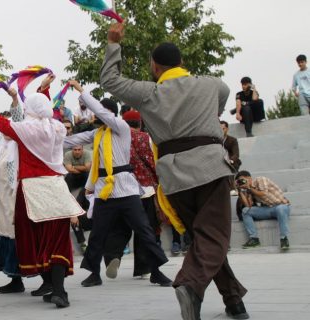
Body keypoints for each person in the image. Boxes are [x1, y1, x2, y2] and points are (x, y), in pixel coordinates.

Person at [100, 23, 249, 320]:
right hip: (210, 168)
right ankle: (190, 286)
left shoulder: (149, 92)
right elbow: (221, 98)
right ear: (182, 63)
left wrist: (114, 43)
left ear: (155, 67)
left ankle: (234, 301)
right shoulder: (212, 85)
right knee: (214, 238)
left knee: (203, 238)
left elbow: (110, 79)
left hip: (174, 177)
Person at [0, 89, 84, 308]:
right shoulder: (58, 127)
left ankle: (51, 284)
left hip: (31, 190)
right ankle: (58, 290)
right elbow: (47, 111)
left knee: (34, 240)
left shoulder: (26, 129)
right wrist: (44, 91)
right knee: (57, 239)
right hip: (55, 187)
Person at [64, 81, 171, 289]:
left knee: (145, 231)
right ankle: (94, 273)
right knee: (97, 234)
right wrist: (47, 135)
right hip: (105, 192)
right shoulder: (98, 134)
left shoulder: (121, 128)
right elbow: (70, 141)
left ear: (108, 114)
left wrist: (81, 90)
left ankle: (156, 272)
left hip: (127, 190)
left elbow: (98, 111)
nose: (95, 117)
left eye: (100, 113)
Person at [100, 109, 163, 280]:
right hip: (145, 190)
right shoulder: (145, 138)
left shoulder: (114, 138)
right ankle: (143, 268)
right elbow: (152, 161)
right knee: (145, 229)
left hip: (121, 189)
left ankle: (113, 256)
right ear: (139, 123)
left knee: (120, 228)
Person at [0, 88, 26, 294]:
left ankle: (18, 278)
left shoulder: (18, 143)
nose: (4, 131)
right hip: (3, 201)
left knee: (14, 237)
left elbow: (18, 118)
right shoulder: (2, 144)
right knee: (6, 236)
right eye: (3, 128)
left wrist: (13, 97)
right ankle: (13, 279)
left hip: (15, 198)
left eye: (8, 127)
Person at [235, 171, 291, 250]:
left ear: (249, 178)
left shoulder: (260, 179)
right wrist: (240, 191)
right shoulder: (248, 190)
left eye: (243, 180)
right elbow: (248, 205)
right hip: (267, 209)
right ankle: (254, 239)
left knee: (280, 209)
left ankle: (284, 238)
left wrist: (249, 188)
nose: (242, 182)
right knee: (245, 211)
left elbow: (263, 193)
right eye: (240, 182)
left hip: (281, 206)